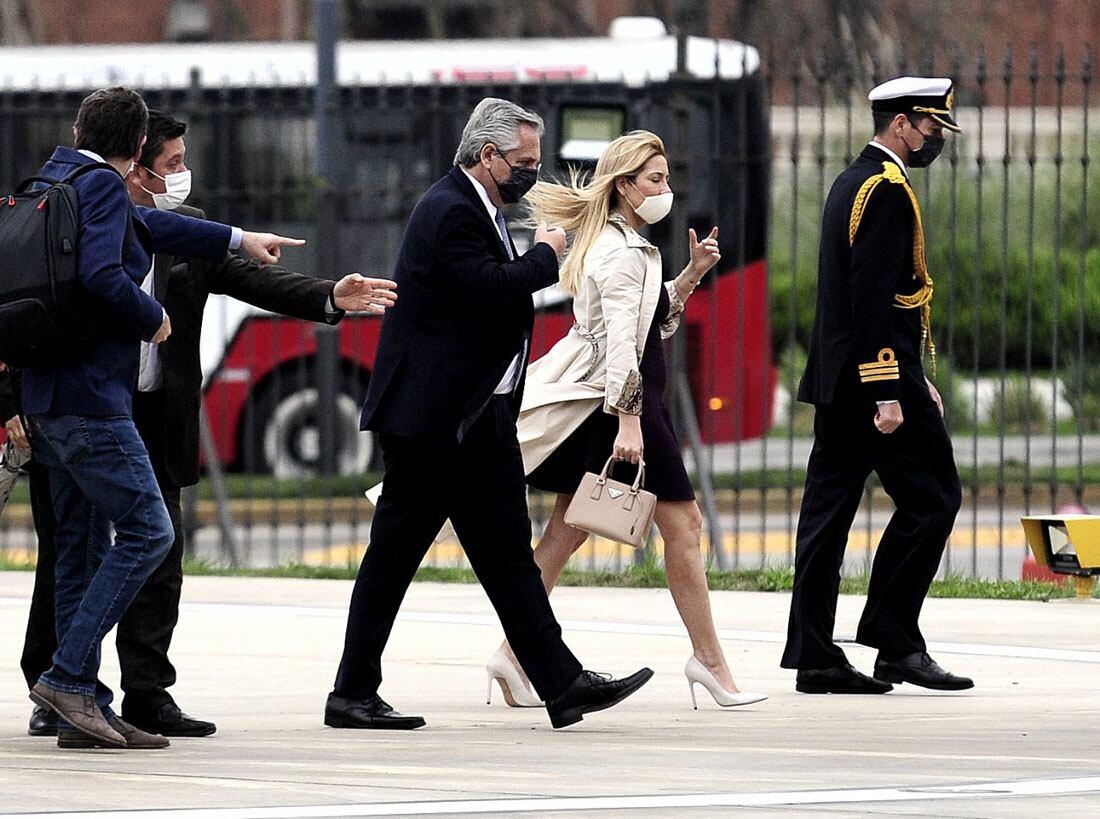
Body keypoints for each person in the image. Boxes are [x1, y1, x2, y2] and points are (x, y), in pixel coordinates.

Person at [14, 108, 398, 741]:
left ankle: (141, 692)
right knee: (84, 549)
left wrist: (329, 295)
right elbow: (44, 300)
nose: (183, 173)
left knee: (154, 557)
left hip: (147, 409)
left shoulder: (163, 222)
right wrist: (147, 316)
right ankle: (58, 684)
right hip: (90, 404)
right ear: (135, 162)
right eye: (172, 163)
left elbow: (254, 280)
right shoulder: (81, 206)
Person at [325, 98, 653, 731]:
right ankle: (352, 692)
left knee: (507, 558)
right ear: (488, 156)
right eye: (524, 162)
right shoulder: (449, 210)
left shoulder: (483, 208)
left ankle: (562, 685)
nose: (531, 172)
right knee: (394, 557)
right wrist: (549, 251)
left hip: (478, 420)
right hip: (433, 426)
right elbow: (492, 287)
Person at [484, 130, 767, 710]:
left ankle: (513, 655)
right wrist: (631, 423)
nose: (667, 190)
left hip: (611, 405)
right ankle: (709, 663)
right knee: (683, 524)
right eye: (655, 180)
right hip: (623, 406)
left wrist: (689, 276)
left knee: (567, 529)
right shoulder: (619, 253)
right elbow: (622, 347)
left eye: (667, 178)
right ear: (625, 187)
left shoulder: (625, 245)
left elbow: (648, 320)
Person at [779, 77, 973, 694]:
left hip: (842, 378)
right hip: (872, 382)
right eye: (931, 126)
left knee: (827, 518)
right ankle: (895, 642)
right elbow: (871, 299)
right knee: (934, 498)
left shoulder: (850, 180)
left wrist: (909, 377)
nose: (935, 138)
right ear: (901, 124)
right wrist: (891, 388)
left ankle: (815, 657)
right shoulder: (886, 191)